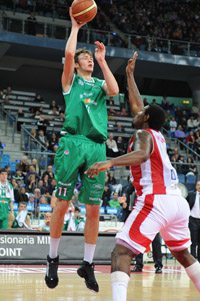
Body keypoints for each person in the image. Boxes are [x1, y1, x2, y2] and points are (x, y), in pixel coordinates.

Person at [86, 52, 200, 301]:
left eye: (141, 112)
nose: (134, 111)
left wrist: (110, 162)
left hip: (156, 200)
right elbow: (138, 105)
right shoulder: (155, 133)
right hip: (177, 204)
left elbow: (140, 155)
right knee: (183, 254)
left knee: (121, 254)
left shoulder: (143, 136)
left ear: (146, 118)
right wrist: (129, 75)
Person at [44, 6, 119, 293]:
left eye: (89, 58)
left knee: (94, 210)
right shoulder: (69, 81)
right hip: (72, 143)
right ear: (77, 65)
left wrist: (102, 60)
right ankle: (53, 257)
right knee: (61, 205)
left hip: (97, 148)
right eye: (85, 58)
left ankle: (87, 264)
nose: (87, 59)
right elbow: (68, 56)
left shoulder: (99, 84)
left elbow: (114, 90)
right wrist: (75, 28)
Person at [187, 180, 200, 262]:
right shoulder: (191, 194)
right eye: (198, 185)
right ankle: (192, 260)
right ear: (196, 186)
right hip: (193, 220)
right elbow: (185, 205)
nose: (199, 186)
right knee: (193, 242)